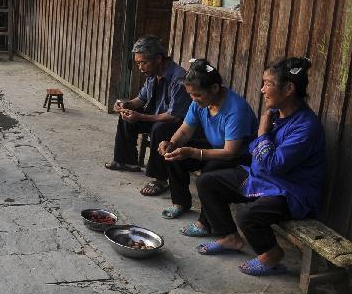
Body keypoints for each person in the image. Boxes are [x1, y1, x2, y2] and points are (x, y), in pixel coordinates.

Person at [190, 57, 325, 276]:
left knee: (247, 216)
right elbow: (257, 153)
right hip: (261, 179)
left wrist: (263, 133)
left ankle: (271, 254)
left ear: (289, 88)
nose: (262, 89)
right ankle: (229, 237)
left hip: (291, 192)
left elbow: (273, 165)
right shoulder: (275, 115)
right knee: (207, 181)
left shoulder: (306, 127)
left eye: (268, 84)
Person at [157, 59, 257, 221]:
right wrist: (172, 143)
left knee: (211, 169)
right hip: (216, 147)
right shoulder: (199, 102)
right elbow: (184, 132)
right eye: (190, 94)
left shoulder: (236, 110)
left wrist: (193, 152)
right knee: (175, 154)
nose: (193, 99)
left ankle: (207, 222)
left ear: (215, 88)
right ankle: (180, 203)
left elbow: (229, 153)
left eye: (197, 94)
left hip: (240, 158)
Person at [106, 36, 191, 199]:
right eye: (138, 63)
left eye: (143, 62)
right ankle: (126, 160)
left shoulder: (179, 78)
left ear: (158, 59)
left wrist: (142, 116)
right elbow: (141, 100)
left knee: (160, 128)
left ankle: (160, 179)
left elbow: (174, 115)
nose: (140, 67)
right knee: (126, 116)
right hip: (154, 116)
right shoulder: (152, 74)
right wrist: (125, 105)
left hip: (175, 124)